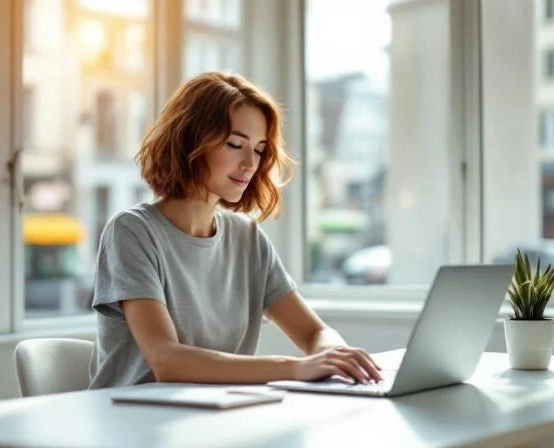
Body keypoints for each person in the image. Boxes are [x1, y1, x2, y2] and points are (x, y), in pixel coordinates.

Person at [89, 71, 382, 389]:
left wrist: (332, 355)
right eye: (235, 144)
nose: (250, 163)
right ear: (191, 140)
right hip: (130, 423)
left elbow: (314, 333)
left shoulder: (248, 238)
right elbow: (166, 360)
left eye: (258, 149)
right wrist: (295, 367)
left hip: (215, 419)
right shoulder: (132, 232)